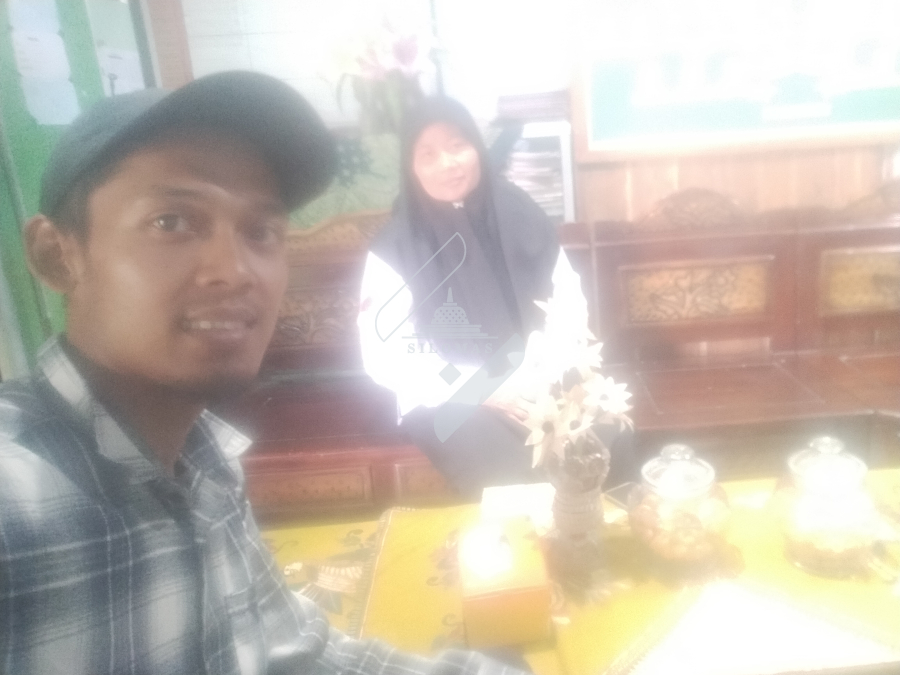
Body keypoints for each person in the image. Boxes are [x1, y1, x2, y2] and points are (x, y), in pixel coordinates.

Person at [0, 71, 529, 675]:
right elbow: (393, 352)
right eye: (171, 222)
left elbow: (295, 654)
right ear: (56, 255)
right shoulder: (18, 504)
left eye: (262, 232)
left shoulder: (206, 466)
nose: (234, 270)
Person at [357, 97, 634, 498]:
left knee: (606, 435)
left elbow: (567, 296)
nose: (448, 163)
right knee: (511, 476)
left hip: (538, 368)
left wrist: (543, 366)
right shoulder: (396, 245)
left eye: (457, 145)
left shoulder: (518, 210)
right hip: (449, 394)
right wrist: (485, 388)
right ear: (411, 167)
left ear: (477, 147)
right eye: (428, 154)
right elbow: (386, 355)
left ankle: (598, 531)